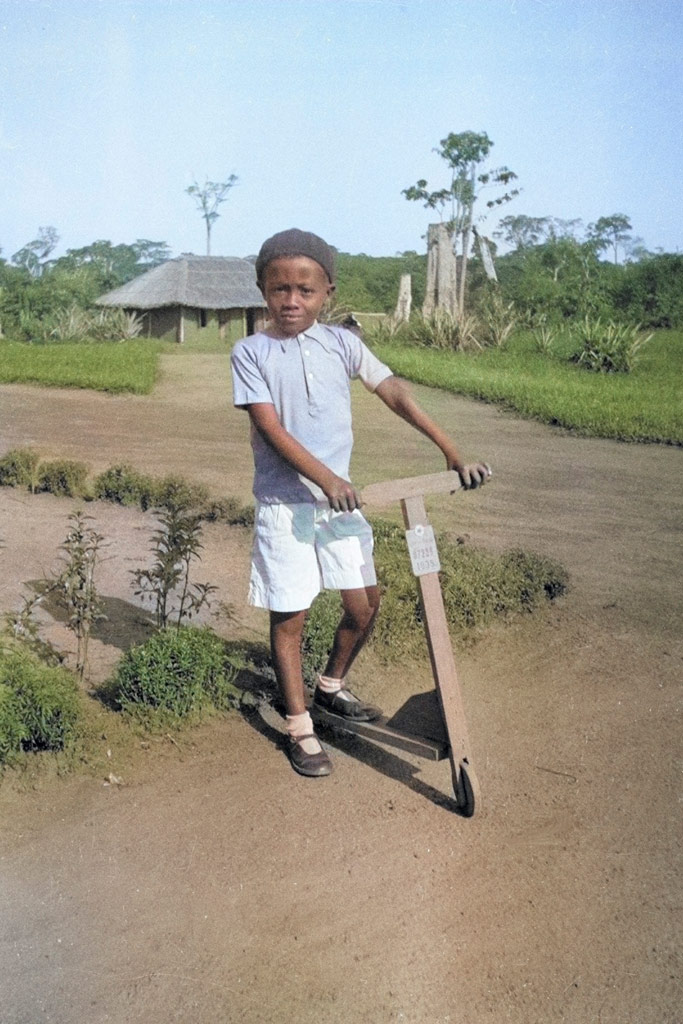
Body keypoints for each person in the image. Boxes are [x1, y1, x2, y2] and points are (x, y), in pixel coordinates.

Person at [230, 228, 491, 778]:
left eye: (305, 290)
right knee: (292, 615)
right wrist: (324, 477)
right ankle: (299, 725)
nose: (292, 301)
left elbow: (392, 390)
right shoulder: (251, 351)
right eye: (279, 289)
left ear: (327, 290)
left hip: (339, 501)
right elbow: (269, 426)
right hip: (287, 506)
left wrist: (450, 450)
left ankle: (330, 687)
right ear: (262, 290)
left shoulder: (342, 344)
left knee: (364, 604)